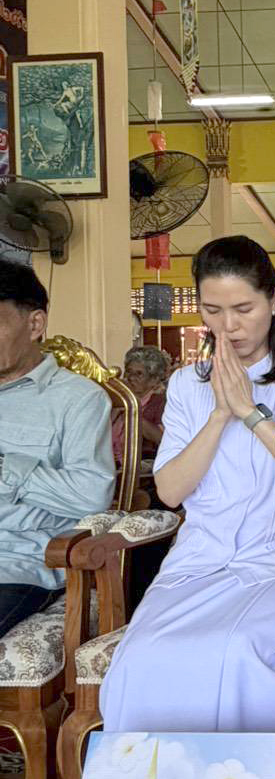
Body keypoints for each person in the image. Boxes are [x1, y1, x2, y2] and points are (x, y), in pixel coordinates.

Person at [99, 236, 275, 733]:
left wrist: (249, 413)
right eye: (212, 310)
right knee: (146, 654)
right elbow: (169, 491)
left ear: (274, 302)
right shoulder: (190, 385)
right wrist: (217, 414)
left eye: (243, 308)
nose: (227, 326)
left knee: (237, 649)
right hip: (198, 560)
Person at [0, 260, 115, 639]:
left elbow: (92, 496)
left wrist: (8, 468)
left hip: (16, 564)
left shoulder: (77, 399)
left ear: (34, 325)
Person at [112, 345, 170, 465]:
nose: (131, 378)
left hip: (145, 471)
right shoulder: (118, 399)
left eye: (139, 374)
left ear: (154, 379)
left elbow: (162, 438)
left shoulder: (160, 402)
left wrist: (132, 411)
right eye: (128, 372)